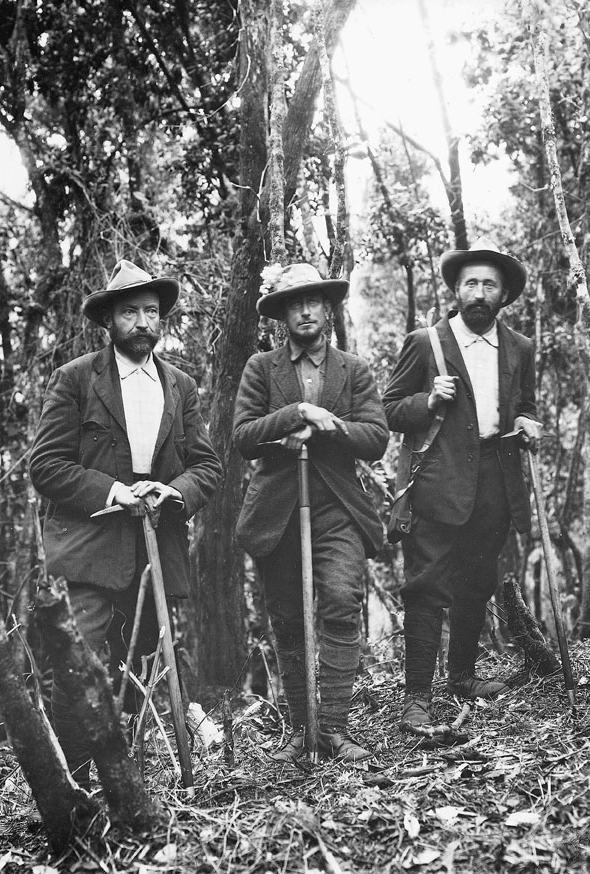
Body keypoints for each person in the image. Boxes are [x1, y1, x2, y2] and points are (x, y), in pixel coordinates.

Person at [30, 259, 222, 786]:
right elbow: (45, 465)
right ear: (110, 320)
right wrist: (113, 490)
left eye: (152, 312)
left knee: (141, 663)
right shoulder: (74, 379)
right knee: (81, 661)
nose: (143, 322)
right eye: (131, 311)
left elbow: (208, 466)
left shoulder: (179, 384)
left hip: (154, 545)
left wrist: (171, 491)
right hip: (91, 542)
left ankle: (123, 780)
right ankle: (71, 786)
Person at [382, 238, 542, 733]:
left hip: (496, 479)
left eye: (488, 285)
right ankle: (416, 698)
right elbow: (389, 410)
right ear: (455, 289)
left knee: (477, 581)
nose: (478, 292)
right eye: (470, 283)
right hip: (436, 480)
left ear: (503, 295)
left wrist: (527, 422)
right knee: (426, 587)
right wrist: (429, 400)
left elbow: (525, 406)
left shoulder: (519, 348)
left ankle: (463, 677)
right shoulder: (426, 343)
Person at [233, 263, 389, 763]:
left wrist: (327, 425)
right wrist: (297, 412)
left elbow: (377, 438)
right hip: (277, 509)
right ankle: (302, 732)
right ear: (281, 313)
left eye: (314, 301)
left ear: (328, 307)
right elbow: (243, 438)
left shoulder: (353, 369)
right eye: (294, 302)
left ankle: (335, 730)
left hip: (337, 505)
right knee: (286, 616)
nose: (305, 310)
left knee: (341, 600)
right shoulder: (261, 368)